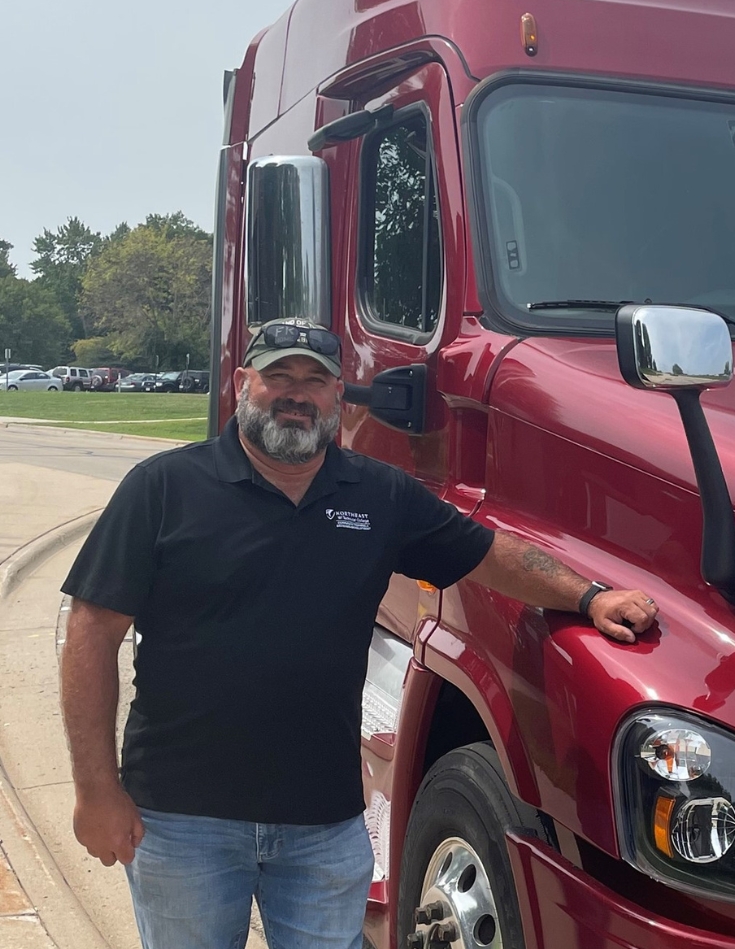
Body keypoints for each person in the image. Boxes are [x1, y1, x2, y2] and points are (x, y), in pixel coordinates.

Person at [59, 318, 658, 949]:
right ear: (242, 384)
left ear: (338, 397)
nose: (296, 394)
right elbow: (91, 634)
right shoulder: (163, 489)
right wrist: (96, 791)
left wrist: (589, 596)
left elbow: (487, 554)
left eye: (315, 381)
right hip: (183, 823)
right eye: (278, 377)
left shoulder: (378, 495)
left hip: (322, 825)